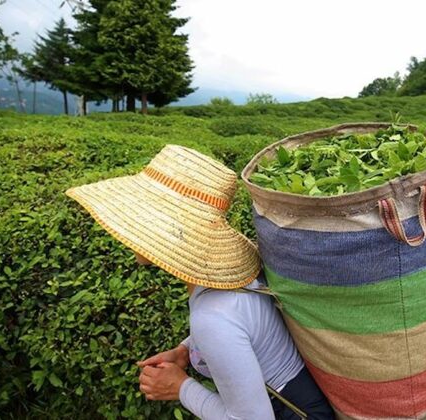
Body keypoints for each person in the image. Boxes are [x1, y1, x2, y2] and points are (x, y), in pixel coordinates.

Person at [65, 145, 334, 420]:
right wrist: (187, 351)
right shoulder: (232, 284)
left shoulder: (212, 318)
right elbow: (245, 327)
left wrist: (179, 387)